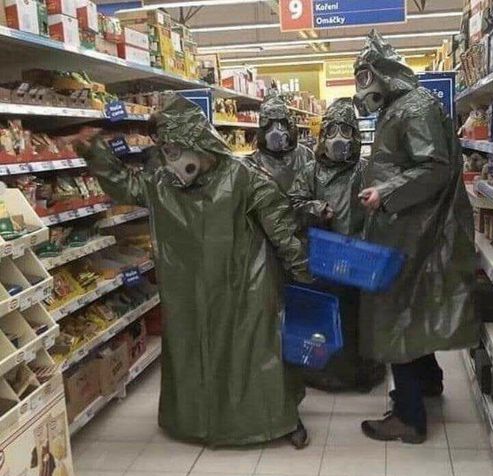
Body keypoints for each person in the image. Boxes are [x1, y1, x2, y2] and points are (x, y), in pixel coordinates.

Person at [69, 93, 311, 448]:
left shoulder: (246, 178)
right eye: (164, 151)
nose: (170, 161)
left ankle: (278, 419)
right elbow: (126, 185)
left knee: (255, 356)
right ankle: (199, 423)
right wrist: (95, 152)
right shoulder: (163, 184)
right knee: (196, 354)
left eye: (174, 150)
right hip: (190, 289)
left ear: (197, 142)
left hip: (245, 288)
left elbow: (282, 231)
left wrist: (304, 274)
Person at [353, 30, 478, 444]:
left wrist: (384, 191)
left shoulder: (414, 108)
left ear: (382, 72)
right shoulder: (402, 106)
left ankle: (408, 416)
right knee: (415, 303)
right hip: (410, 224)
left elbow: (434, 167)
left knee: (395, 312)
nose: (362, 88)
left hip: (412, 226)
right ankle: (428, 381)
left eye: (364, 76)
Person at [288, 99, 386, 392]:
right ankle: (324, 371)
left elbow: (384, 207)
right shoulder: (309, 171)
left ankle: (360, 371)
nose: (338, 138)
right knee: (326, 316)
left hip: (358, 258)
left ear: (355, 135)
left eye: (345, 130)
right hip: (322, 257)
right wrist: (316, 209)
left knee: (357, 317)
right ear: (322, 136)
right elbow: (293, 204)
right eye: (331, 131)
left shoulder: (366, 170)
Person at [247, 94, 315, 194]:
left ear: (289, 127)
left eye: (281, 125)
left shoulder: (305, 155)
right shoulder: (254, 162)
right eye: (269, 126)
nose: (276, 132)